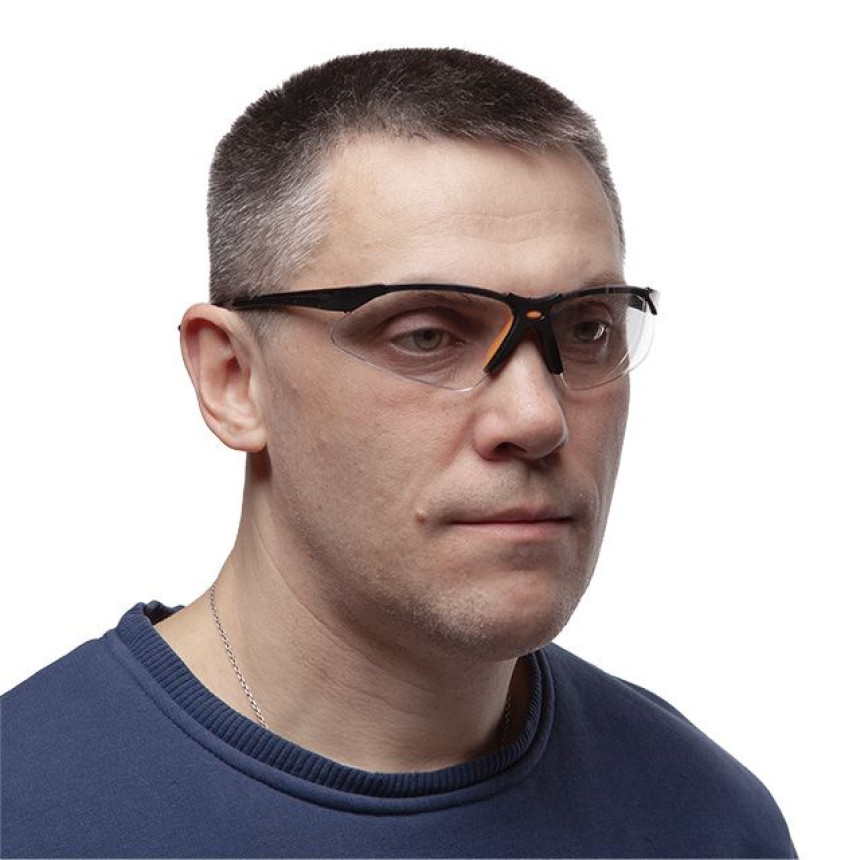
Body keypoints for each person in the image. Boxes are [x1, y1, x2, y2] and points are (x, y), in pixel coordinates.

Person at [1, 48, 795, 858]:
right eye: (425, 335)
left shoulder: (707, 820)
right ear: (234, 379)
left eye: (586, 328)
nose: (537, 417)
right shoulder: (26, 808)